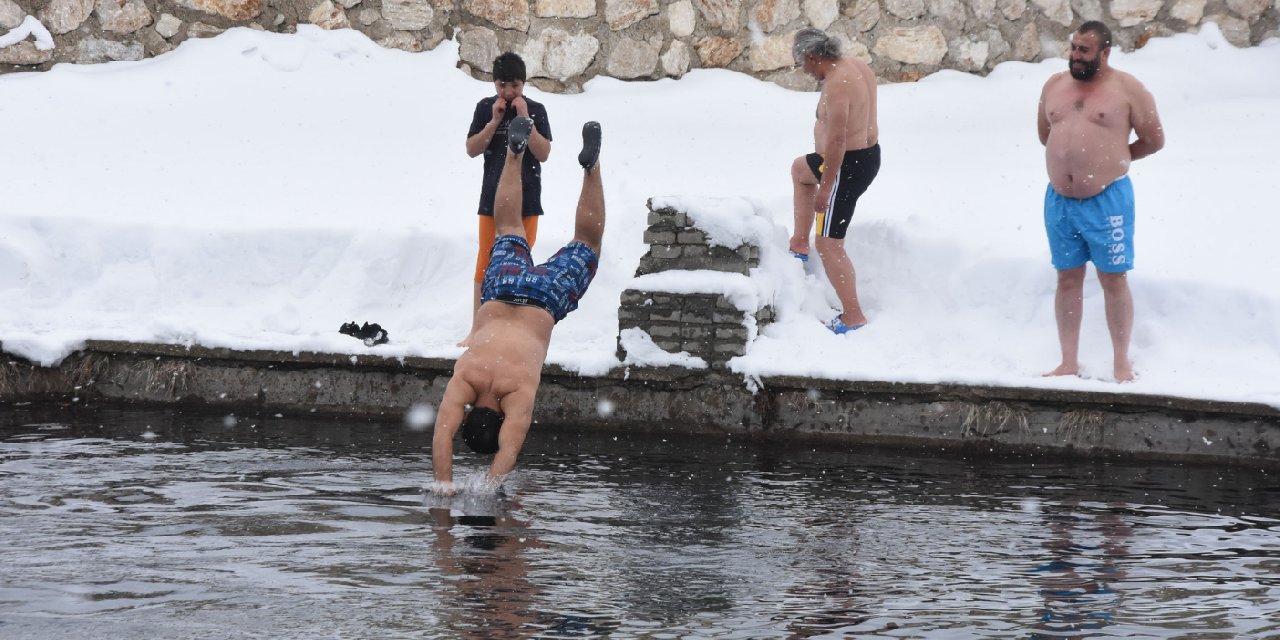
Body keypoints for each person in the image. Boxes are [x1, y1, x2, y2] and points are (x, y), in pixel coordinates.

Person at [432, 118, 604, 493]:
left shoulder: (516, 396)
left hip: (543, 300)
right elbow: (443, 434)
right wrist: (441, 482)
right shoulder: (467, 380)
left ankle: (591, 169)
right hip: (500, 291)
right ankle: (514, 153)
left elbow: (508, 453)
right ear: (473, 413)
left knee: (587, 242)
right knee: (509, 226)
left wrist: (481, 489)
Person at [1037, 21, 1164, 382]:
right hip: (1059, 201)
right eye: (1073, 48)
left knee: (1113, 279)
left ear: (1105, 53)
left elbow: (1154, 139)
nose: (1075, 56)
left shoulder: (1128, 89)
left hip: (1106, 200)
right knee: (1067, 279)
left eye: (1084, 50)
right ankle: (1068, 361)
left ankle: (1121, 362)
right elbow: (1045, 133)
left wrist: (1111, 161)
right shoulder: (1054, 85)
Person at [788, 28, 881, 334]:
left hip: (844, 166)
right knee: (801, 170)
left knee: (828, 244)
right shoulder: (855, 66)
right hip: (862, 157)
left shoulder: (838, 84)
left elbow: (838, 141)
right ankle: (799, 245)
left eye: (802, 63)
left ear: (813, 56)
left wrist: (826, 189)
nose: (804, 70)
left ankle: (853, 316)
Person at [460, 52, 554, 347]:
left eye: (514, 85)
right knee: (484, 264)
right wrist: (494, 121)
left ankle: (513, 331)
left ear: (524, 84)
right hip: (492, 201)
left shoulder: (536, 109)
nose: (508, 92)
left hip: (527, 200)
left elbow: (544, 153)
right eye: (502, 85)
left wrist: (525, 119)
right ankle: (477, 330)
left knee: (520, 265)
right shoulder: (485, 107)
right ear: (494, 84)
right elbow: (472, 149)